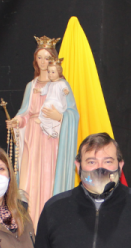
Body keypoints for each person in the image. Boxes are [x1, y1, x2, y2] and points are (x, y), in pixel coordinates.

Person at [6, 36, 80, 226]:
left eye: (48, 58)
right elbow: (25, 113)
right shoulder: (31, 86)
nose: (44, 62)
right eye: (40, 58)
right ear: (35, 61)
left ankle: (47, 224)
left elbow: (73, 114)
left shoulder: (62, 85)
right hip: (32, 139)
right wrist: (16, 121)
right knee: (29, 180)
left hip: (51, 140)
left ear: (53, 60)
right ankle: (28, 224)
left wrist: (61, 117)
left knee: (48, 177)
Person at [37, 60, 69, 139]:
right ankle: (50, 131)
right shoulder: (49, 83)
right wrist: (39, 90)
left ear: (59, 72)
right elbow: (44, 90)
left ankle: (44, 122)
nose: (50, 74)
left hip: (56, 103)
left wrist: (65, 90)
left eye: (53, 72)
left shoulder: (61, 83)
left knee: (46, 108)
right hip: (49, 101)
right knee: (44, 111)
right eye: (49, 72)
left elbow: (64, 89)